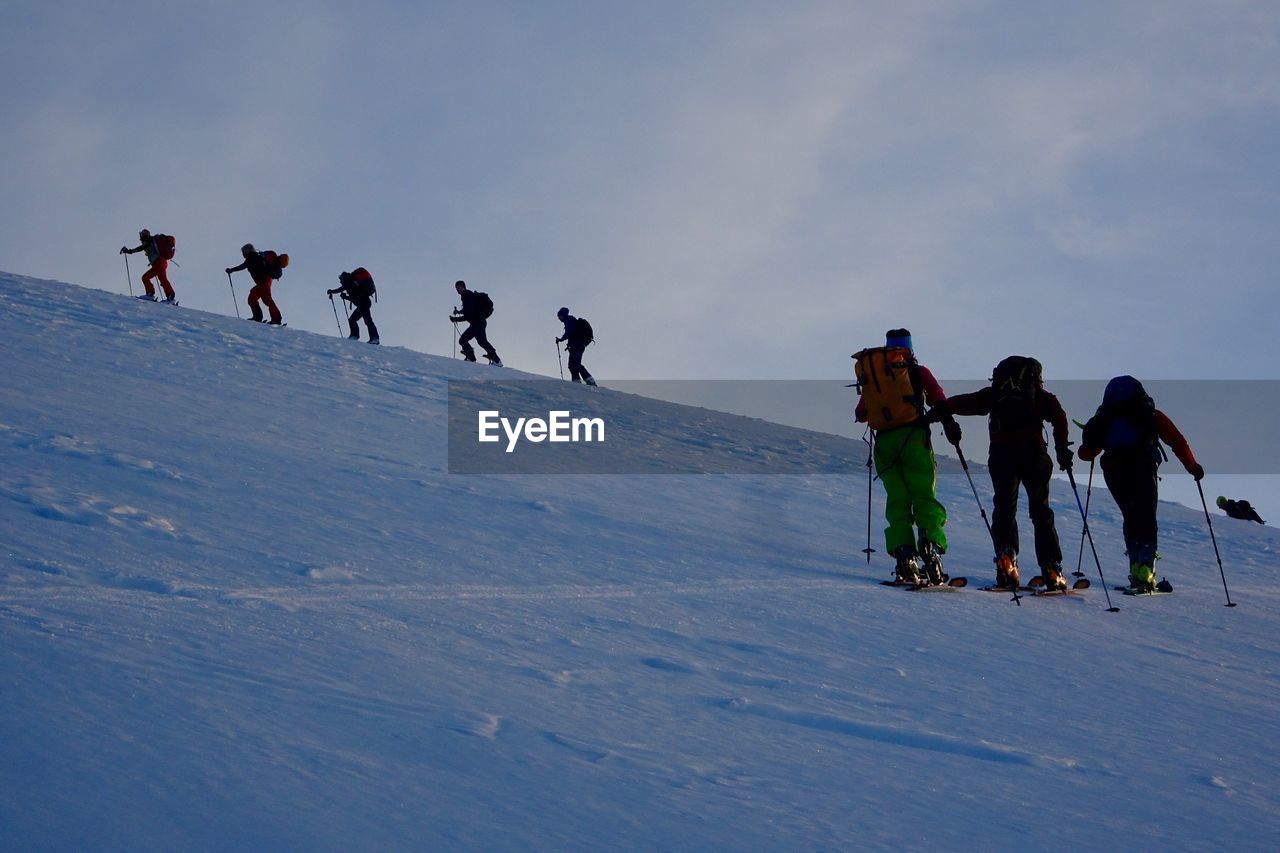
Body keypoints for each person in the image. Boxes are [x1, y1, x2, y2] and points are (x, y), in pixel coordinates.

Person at [926, 356, 1073, 591]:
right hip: (1035, 456)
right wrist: (1062, 449)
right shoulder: (1040, 396)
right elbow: (1059, 418)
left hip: (1002, 456)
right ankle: (1052, 568)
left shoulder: (995, 394)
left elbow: (967, 403)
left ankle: (1007, 561)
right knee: (1041, 510)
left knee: (1005, 508)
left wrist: (937, 412)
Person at [1077, 375, 1204, 592]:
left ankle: (1136, 570)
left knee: (1131, 515)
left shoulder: (1105, 417)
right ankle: (1146, 571)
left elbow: (1086, 453)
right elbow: (1176, 440)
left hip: (1115, 471)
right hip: (1143, 466)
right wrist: (1193, 467)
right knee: (1146, 516)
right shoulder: (1149, 414)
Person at [854, 329, 957, 586]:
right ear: (909, 348)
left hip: (884, 445)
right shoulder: (916, 371)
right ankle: (931, 550)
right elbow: (938, 398)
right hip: (914, 440)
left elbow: (861, 413)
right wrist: (948, 423)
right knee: (923, 495)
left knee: (898, 499)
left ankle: (904, 554)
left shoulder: (875, 374)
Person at [225, 243, 284, 324]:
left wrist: (231, 270)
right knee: (252, 298)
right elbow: (245, 265)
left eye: (243, 252)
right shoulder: (254, 257)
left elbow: (243, 266)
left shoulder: (252, 257)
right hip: (261, 282)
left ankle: (276, 320)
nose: (243, 254)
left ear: (247, 251)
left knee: (267, 300)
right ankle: (257, 317)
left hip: (264, 281)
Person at [450, 280, 501, 365]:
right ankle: (473, 357)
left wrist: (455, 319)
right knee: (470, 340)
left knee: (477, 341)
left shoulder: (467, 296)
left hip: (478, 323)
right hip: (477, 323)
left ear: (463, 287)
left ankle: (496, 360)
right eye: (456, 288)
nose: (457, 290)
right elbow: (470, 311)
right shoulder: (468, 296)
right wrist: (459, 312)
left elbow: (468, 315)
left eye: (458, 287)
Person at [120, 229, 177, 303]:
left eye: (142, 234)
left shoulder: (148, 240)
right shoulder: (152, 241)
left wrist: (129, 251)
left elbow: (140, 248)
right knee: (163, 279)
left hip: (158, 262)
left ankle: (150, 294)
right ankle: (170, 297)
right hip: (162, 262)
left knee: (145, 277)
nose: (141, 236)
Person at [328, 268, 379, 344]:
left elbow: (342, 289)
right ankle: (357, 336)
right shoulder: (352, 284)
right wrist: (345, 297)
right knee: (354, 319)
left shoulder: (349, 283)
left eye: (341, 280)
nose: (341, 282)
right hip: (364, 302)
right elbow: (355, 299)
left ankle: (373, 338)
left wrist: (332, 291)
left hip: (363, 302)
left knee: (367, 320)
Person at [556, 307, 596, 385]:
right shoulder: (570, 321)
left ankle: (587, 380)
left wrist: (561, 339)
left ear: (563, 315)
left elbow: (569, 332)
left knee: (575, 364)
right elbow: (571, 333)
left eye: (559, 316)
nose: (559, 318)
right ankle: (578, 381)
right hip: (577, 345)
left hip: (578, 345)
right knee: (572, 364)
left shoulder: (569, 320)